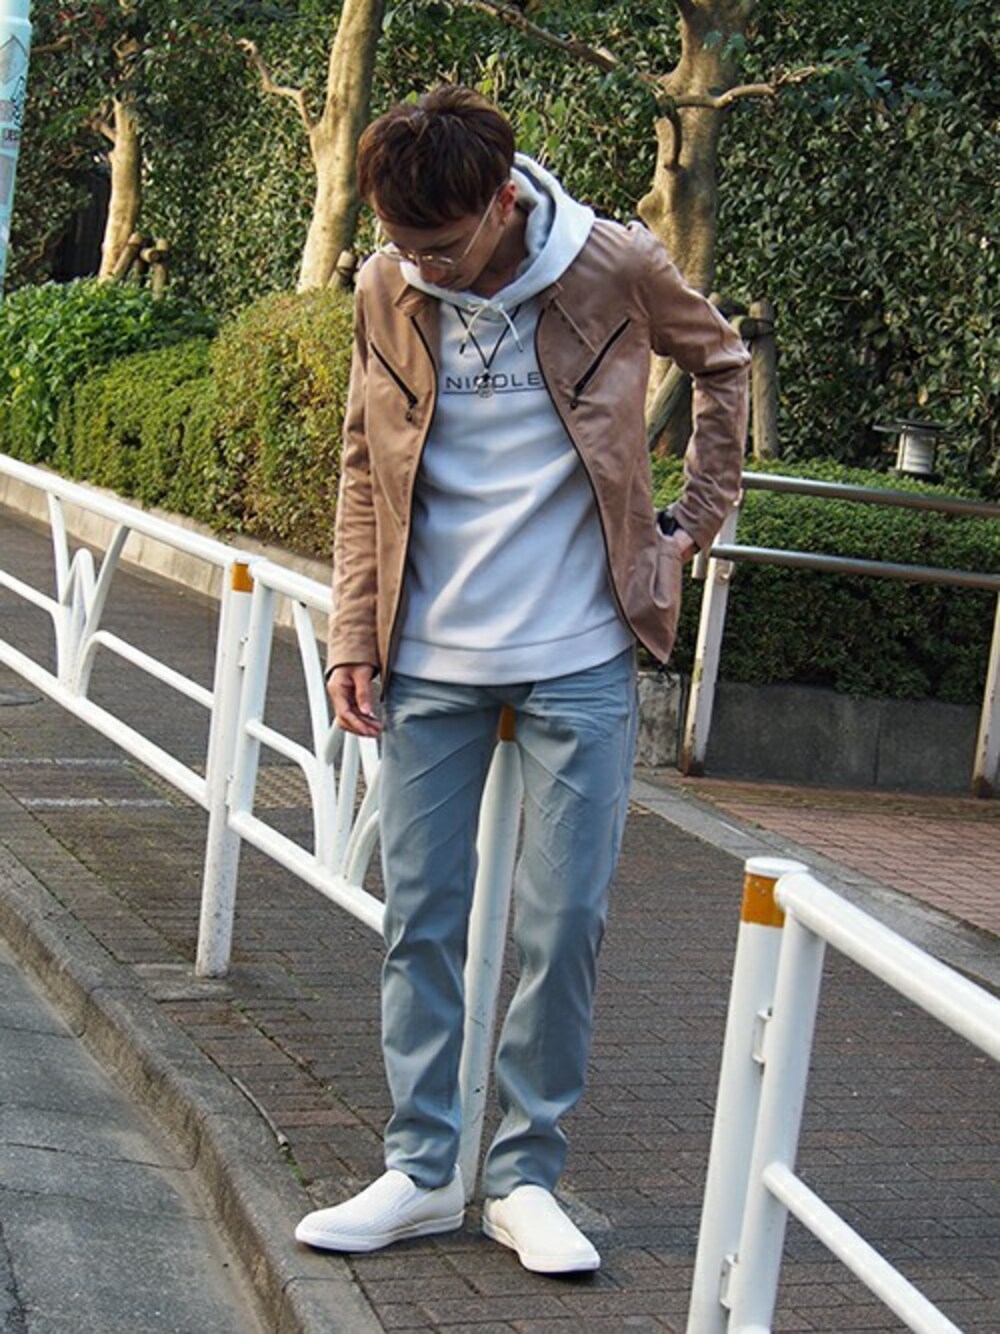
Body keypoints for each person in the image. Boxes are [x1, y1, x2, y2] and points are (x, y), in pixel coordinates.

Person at [295, 84, 749, 1274]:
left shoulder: (613, 264)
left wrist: (688, 527)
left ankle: (524, 1175)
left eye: (440, 246)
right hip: (428, 656)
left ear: (504, 200)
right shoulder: (386, 285)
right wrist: (353, 633)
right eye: (400, 243)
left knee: (563, 925)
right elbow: (361, 459)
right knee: (419, 919)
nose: (420, 266)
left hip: (579, 654)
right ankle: (419, 1169)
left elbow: (722, 363)